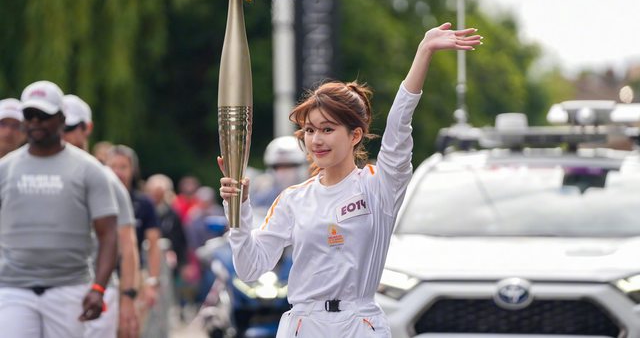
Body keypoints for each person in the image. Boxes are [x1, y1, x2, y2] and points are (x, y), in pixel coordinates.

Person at [218, 23, 482, 337]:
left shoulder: (378, 187)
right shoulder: (293, 199)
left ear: (355, 135)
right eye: (310, 130)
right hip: (304, 324)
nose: (316, 140)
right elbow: (250, 268)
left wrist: (423, 52)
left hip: (359, 324)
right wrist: (238, 211)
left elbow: (398, 128)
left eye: (327, 129)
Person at [0, 80, 119, 337]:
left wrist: (99, 288)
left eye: (43, 115)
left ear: (61, 119)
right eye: (29, 115)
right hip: (12, 288)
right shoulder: (5, 169)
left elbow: (109, 234)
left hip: (69, 287)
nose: (35, 122)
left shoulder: (89, 170)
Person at [62, 94, 141, 338]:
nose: (63, 134)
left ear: (87, 128)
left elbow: (127, 244)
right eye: (59, 126)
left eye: (70, 128)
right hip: (56, 287)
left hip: (99, 287)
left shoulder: (105, 179)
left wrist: (128, 298)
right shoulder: (46, 175)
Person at [106, 145, 162, 323]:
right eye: (113, 166)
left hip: (133, 275)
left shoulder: (143, 203)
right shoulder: (96, 198)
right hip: (103, 274)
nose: (118, 172)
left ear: (133, 169)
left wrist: (152, 281)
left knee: (130, 328)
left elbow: (153, 244)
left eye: (123, 166)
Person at [251, 136, 308, 208]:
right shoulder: (264, 199)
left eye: (289, 166)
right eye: (277, 167)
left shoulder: (312, 195)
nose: (283, 173)